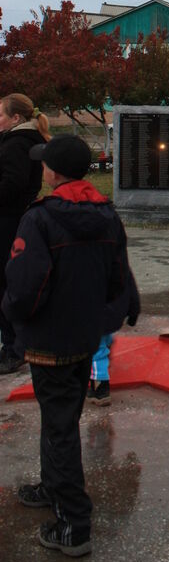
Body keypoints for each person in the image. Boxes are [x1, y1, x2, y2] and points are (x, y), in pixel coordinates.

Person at [3, 135, 139, 557]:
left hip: (49, 341)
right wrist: (109, 316)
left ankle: (74, 524)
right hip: (84, 337)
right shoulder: (106, 215)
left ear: (54, 172)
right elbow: (119, 275)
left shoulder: (39, 219)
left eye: (44, 165)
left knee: (60, 427)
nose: (41, 170)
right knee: (60, 417)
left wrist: (12, 313)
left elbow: (25, 285)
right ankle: (50, 485)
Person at [0, 93, 51, 375]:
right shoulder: (19, 141)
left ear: (16, 118)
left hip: (8, 221)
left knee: (7, 284)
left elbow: (13, 184)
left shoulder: (16, 144)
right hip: (15, 218)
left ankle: (13, 348)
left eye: (0, 115)